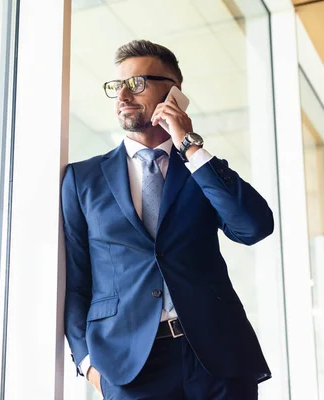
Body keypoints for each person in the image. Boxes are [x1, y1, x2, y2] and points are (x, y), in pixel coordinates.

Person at [61, 40, 274, 400]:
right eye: (117, 86)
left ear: (173, 92)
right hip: (130, 367)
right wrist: (88, 365)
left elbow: (253, 227)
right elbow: (76, 282)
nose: (123, 96)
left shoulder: (199, 169)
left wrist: (190, 145)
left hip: (217, 359)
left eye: (138, 83)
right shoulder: (82, 179)